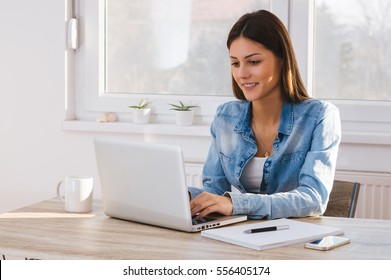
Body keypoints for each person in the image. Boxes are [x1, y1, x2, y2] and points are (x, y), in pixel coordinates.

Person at [188, 10, 341, 220]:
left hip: (297, 241)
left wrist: (237, 203)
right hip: (242, 238)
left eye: (253, 62)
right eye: (235, 63)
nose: (242, 74)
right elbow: (214, 189)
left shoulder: (320, 117)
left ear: (282, 60)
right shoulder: (225, 117)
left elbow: (313, 199)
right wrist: (183, 196)